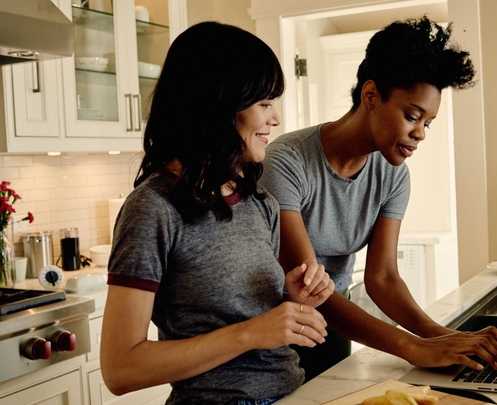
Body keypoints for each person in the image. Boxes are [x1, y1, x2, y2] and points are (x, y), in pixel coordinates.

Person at [259, 16, 497, 382]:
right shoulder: (287, 162)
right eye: (412, 116)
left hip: (335, 322)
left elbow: (383, 276)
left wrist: (445, 336)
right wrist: (413, 347)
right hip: (276, 325)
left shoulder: (392, 174)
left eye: (428, 123)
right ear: (371, 96)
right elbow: (308, 284)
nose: (420, 133)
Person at [99, 21, 334, 405]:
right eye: (264, 103)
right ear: (219, 104)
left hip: (294, 392)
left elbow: (251, 320)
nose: (275, 119)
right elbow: (120, 368)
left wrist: (293, 302)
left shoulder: (260, 202)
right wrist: (253, 332)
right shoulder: (153, 209)